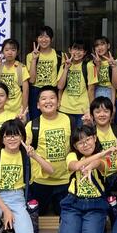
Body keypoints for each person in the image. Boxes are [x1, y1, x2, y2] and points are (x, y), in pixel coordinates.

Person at [0, 119, 53, 233]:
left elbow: (50, 170)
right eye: (7, 136)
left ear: (22, 137)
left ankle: (11, 224)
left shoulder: (26, 156)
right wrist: (6, 210)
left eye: (16, 135)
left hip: (18, 198)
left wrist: (34, 156)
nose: (12, 139)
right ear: (2, 139)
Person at [58, 124, 115, 233]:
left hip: (96, 204)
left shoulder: (106, 157)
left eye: (88, 139)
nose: (85, 144)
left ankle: (98, 224)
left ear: (95, 138)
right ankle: (72, 225)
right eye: (80, 142)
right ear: (75, 146)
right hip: (73, 202)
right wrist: (100, 154)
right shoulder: (72, 156)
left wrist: (93, 164)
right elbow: (76, 166)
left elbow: (100, 164)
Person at [26, 85, 73, 215]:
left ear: (58, 102)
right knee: (37, 216)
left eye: (52, 98)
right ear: (37, 105)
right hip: (40, 182)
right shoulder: (32, 125)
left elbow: (76, 146)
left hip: (65, 180)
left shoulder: (69, 120)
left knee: (65, 217)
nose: (48, 101)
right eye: (43, 99)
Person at [0, 38, 30, 118]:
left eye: (13, 50)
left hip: (17, 111)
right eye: (6, 50)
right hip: (1, 111)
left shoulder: (21, 68)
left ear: (17, 52)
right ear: (2, 52)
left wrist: (23, 111)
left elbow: (25, 92)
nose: (10, 53)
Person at [57, 40, 96, 127]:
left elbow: (91, 89)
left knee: (81, 134)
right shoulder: (64, 65)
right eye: (75, 49)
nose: (77, 52)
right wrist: (66, 68)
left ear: (85, 52)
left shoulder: (89, 66)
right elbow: (60, 86)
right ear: (70, 50)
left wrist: (91, 109)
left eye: (81, 50)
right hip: (65, 108)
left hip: (82, 109)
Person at [26, 26, 61, 120]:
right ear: (37, 39)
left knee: (53, 119)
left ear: (51, 39)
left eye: (47, 37)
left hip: (52, 90)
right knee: (36, 120)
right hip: (36, 91)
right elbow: (32, 80)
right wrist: (34, 59)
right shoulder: (30, 56)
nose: (44, 40)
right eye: (41, 37)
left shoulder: (59, 56)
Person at [89, 36, 115, 102]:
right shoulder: (91, 64)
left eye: (102, 44)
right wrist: (98, 66)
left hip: (112, 93)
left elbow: (115, 86)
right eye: (97, 45)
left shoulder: (115, 62)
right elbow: (93, 85)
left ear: (108, 46)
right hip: (97, 92)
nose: (100, 48)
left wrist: (113, 103)